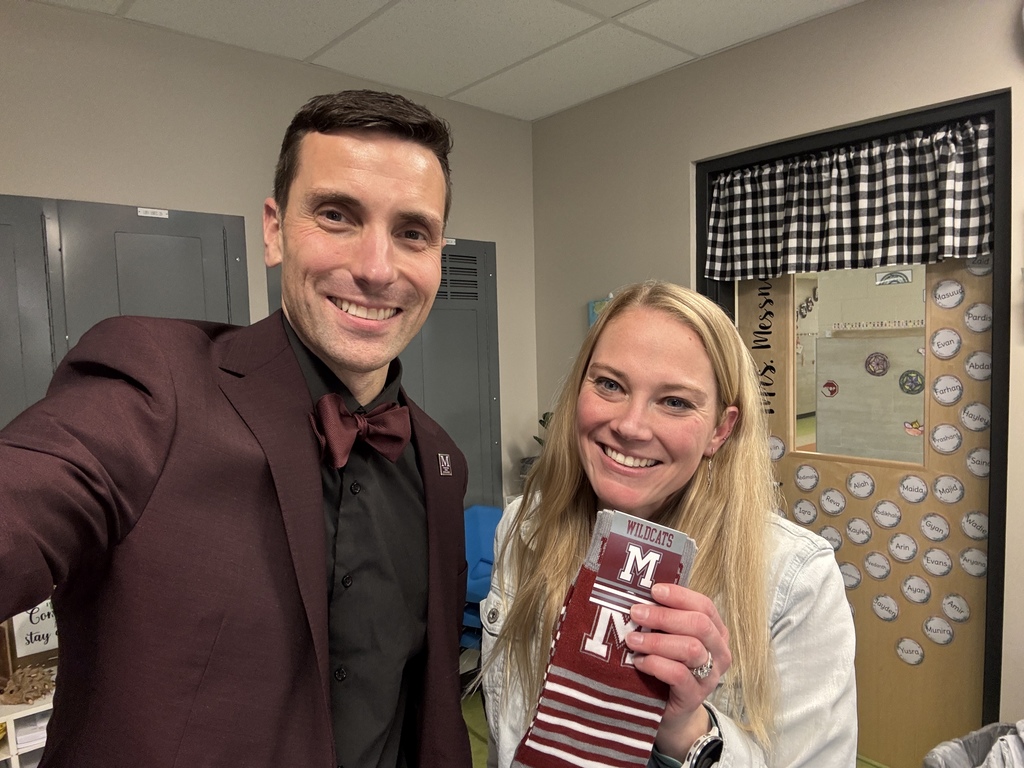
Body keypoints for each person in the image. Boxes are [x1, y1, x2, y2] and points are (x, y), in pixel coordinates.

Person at [0, 90, 472, 768]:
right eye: (337, 215)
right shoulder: (154, 386)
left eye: (412, 232)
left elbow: (423, 708)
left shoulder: (440, 461)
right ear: (275, 230)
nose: (375, 267)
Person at [480, 280, 857, 768]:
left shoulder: (795, 580)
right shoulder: (524, 528)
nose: (632, 426)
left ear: (720, 430)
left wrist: (686, 729)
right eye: (610, 385)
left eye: (676, 401)